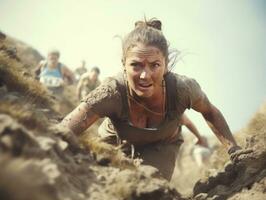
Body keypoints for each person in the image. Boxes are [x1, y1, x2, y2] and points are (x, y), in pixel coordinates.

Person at [61, 18, 245, 181]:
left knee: (149, 186)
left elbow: (210, 112)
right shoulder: (112, 92)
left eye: (155, 65)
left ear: (165, 65)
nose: (144, 75)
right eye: (136, 65)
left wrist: (234, 150)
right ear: (123, 65)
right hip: (115, 140)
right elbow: (64, 129)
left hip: (162, 145)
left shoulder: (183, 89)